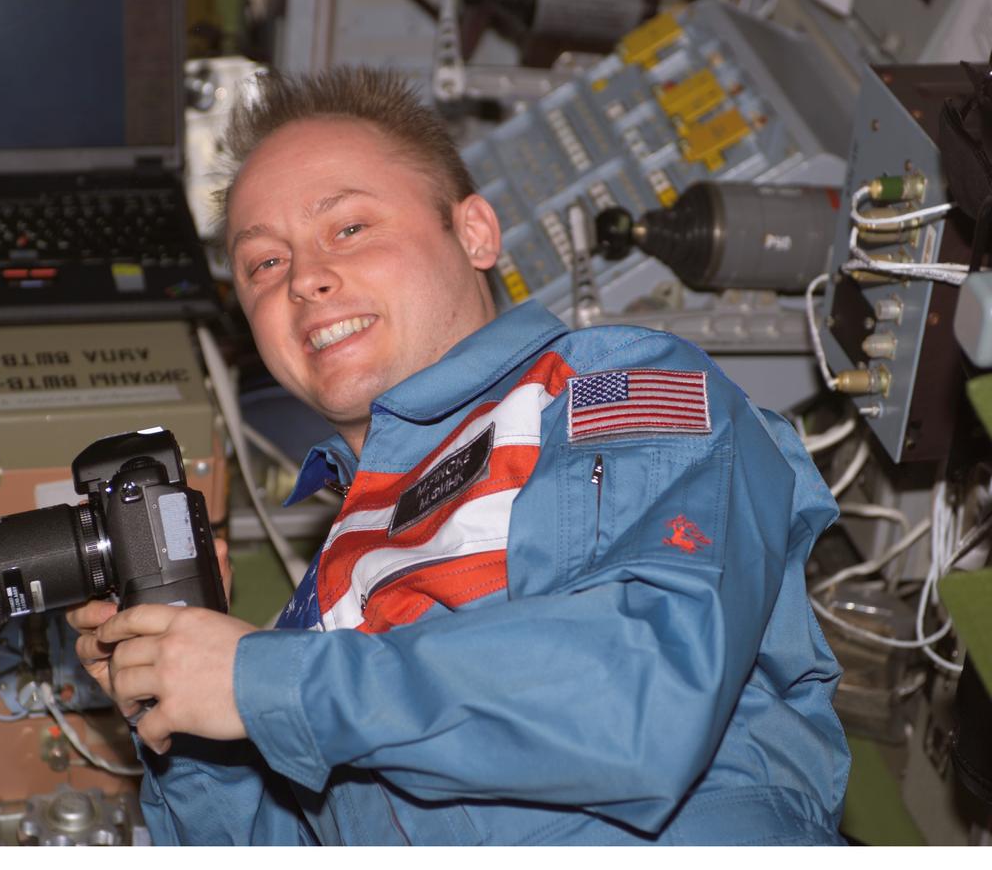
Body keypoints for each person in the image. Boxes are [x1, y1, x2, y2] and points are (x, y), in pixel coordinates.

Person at [67, 67, 850, 845]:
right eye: (265, 264)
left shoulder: (602, 393)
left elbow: (638, 694)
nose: (306, 278)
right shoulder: (326, 596)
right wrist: (178, 706)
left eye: (348, 228)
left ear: (474, 231)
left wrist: (260, 680)